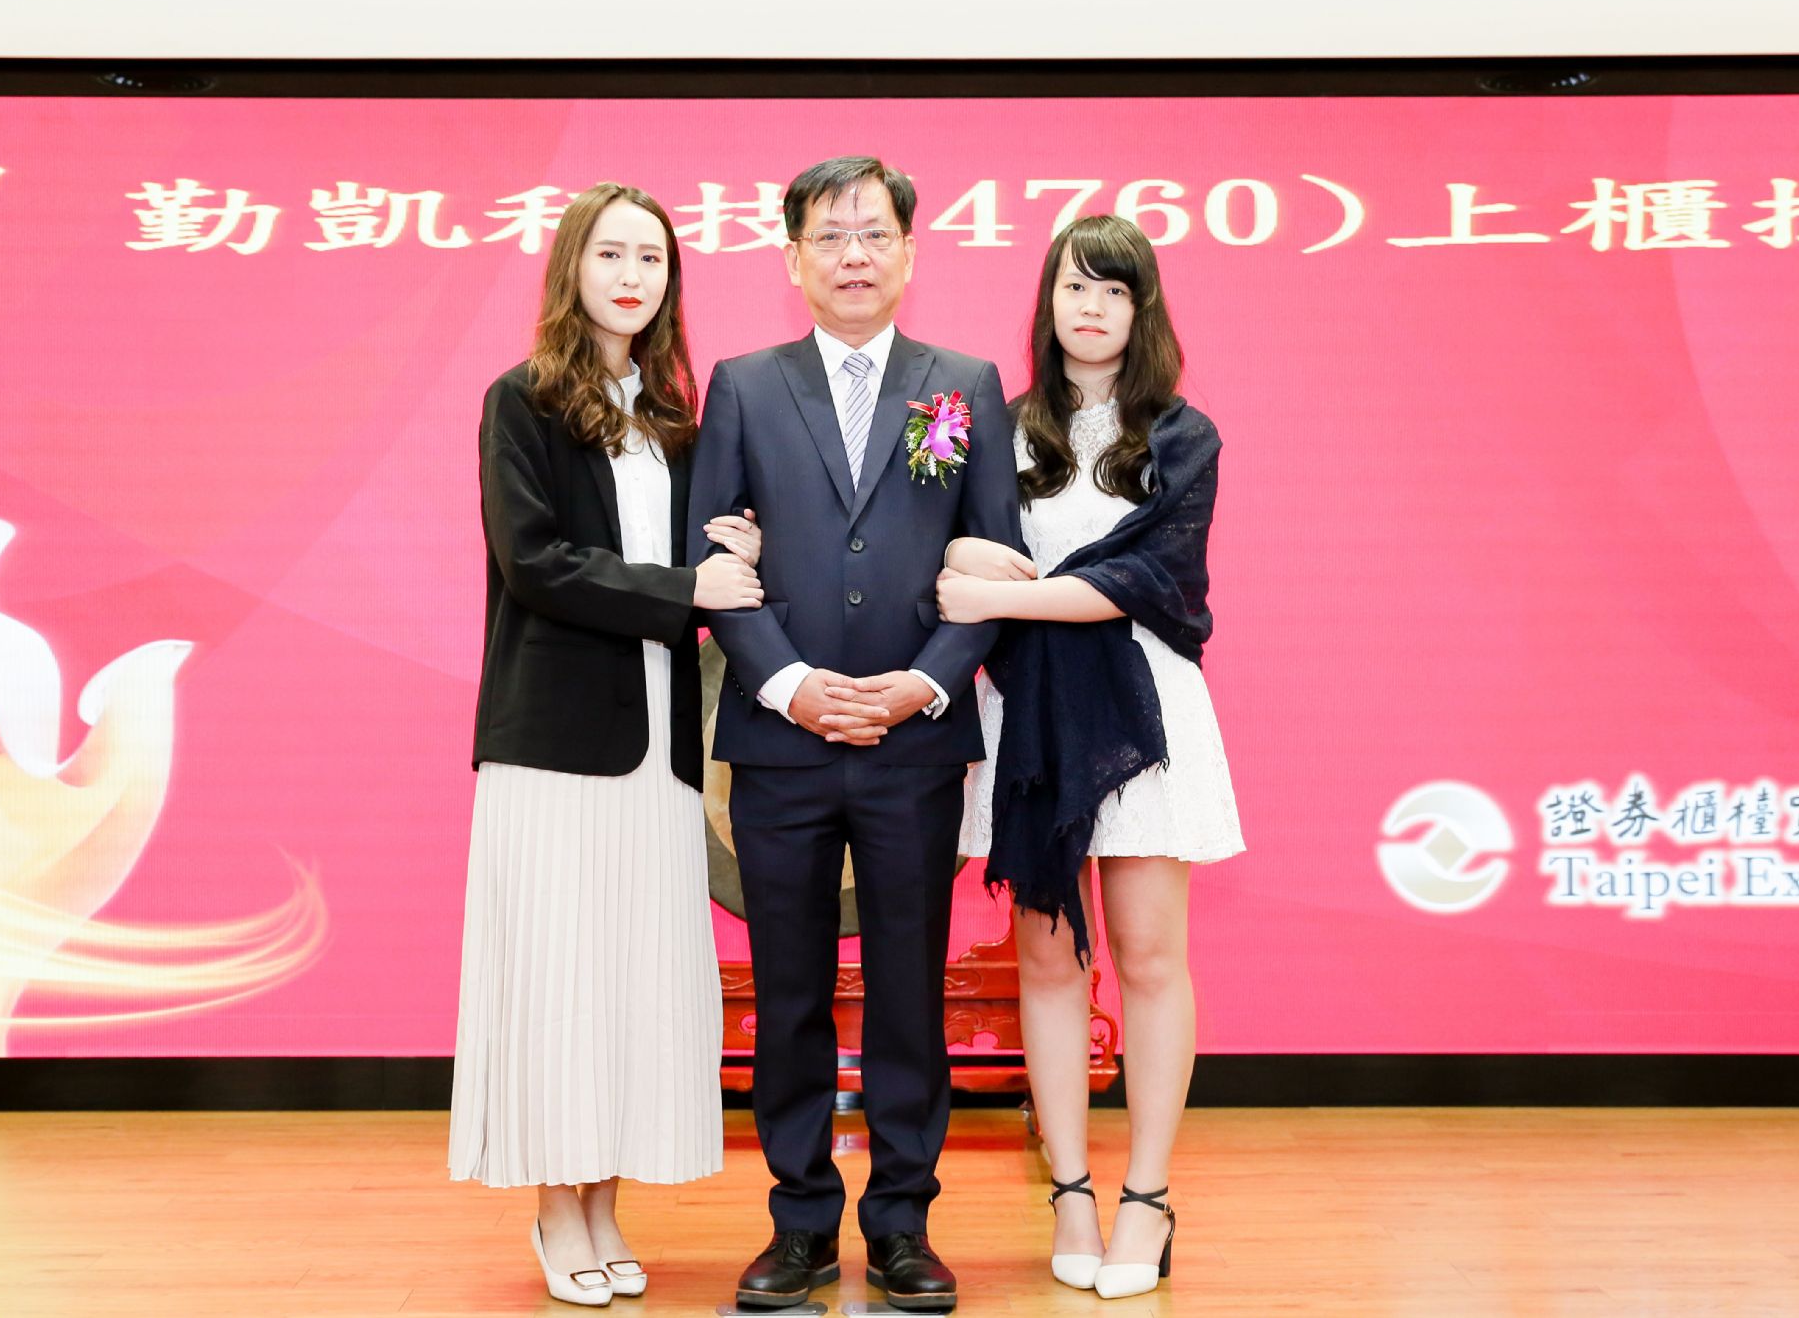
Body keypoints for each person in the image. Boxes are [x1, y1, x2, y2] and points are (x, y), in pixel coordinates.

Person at [686, 156, 1024, 1313]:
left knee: (906, 992)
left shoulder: (960, 385)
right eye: (828, 237)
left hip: (911, 747)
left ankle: (900, 1225)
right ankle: (797, 1226)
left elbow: (993, 566)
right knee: (786, 991)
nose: (852, 255)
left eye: (873, 234)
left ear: (908, 253)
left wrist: (918, 686)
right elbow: (711, 559)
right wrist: (788, 684)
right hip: (778, 745)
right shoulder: (741, 385)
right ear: (791, 259)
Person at [449, 182, 765, 1308]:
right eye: (612, 254)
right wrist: (686, 587)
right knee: (558, 981)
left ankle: (605, 1203)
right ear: (571, 266)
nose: (633, 276)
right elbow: (534, 562)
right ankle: (556, 1208)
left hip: (660, 751)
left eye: (652, 258)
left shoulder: (675, 419)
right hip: (553, 747)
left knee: (628, 982)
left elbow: (708, 563)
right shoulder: (521, 400)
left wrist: (735, 547)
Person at [940, 214, 1244, 1301]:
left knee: (1150, 960)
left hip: (1144, 710)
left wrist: (1002, 594)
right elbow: (942, 543)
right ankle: (1069, 1189)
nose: (1093, 307)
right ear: (1048, 300)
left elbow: (1150, 581)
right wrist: (967, 571)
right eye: (1076, 286)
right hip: (1026, 714)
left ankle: (1146, 1197)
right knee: (1047, 960)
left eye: (1115, 290)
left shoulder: (1183, 435)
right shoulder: (991, 426)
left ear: (1142, 309)